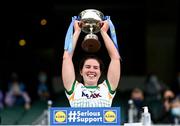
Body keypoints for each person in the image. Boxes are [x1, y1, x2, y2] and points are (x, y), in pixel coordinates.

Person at [62, 19, 121, 107]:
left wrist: (103, 32)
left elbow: (115, 58)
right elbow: (67, 58)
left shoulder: (107, 89)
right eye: (88, 67)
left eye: (96, 68)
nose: (91, 70)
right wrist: (77, 31)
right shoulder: (74, 89)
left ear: (100, 72)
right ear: (81, 71)